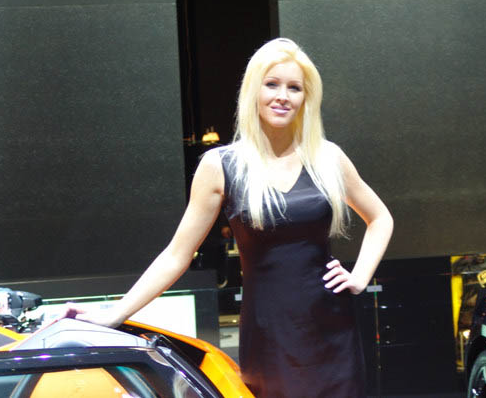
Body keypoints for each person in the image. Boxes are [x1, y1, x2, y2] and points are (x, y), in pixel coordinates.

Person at [67, 38, 393, 397]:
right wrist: (115, 314)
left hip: (332, 329)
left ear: (306, 98)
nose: (282, 96)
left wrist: (360, 277)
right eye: (272, 84)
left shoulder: (327, 158)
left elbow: (380, 218)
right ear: (253, 90)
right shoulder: (221, 166)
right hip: (269, 335)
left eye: (294, 88)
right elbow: (177, 255)